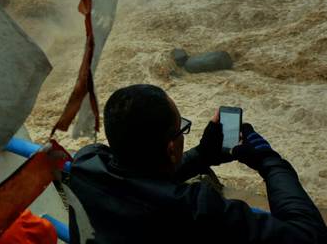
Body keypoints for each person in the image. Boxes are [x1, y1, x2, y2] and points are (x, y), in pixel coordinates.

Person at [67, 84, 327, 244]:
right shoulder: (195, 210)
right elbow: (308, 235)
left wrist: (202, 155)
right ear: (171, 148)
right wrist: (270, 162)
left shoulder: (85, 164)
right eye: (181, 128)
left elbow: (139, 180)